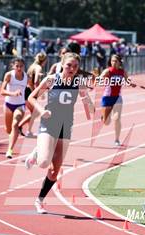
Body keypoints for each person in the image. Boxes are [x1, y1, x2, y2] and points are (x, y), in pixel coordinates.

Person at [24, 52, 94, 214]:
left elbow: (89, 108)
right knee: (43, 163)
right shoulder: (51, 79)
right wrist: (41, 111)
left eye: (75, 66)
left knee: (55, 171)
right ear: (62, 64)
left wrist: (88, 102)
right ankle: (37, 153)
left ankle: (39, 200)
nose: (72, 68)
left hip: (65, 126)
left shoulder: (78, 82)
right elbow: (32, 98)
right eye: (69, 65)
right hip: (49, 123)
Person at [98, 54, 136, 146]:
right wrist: (100, 79)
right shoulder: (108, 71)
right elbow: (100, 79)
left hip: (117, 98)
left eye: (115, 61)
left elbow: (128, 81)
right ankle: (104, 117)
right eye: (112, 61)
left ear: (120, 62)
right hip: (107, 97)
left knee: (117, 118)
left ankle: (117, 139)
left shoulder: (123, 72)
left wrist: (131, 84)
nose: (113, 63)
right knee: (106, 122)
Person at [0, 57, 27, 159]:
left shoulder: (26, 77)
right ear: (13, 66)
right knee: (8, 129)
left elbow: (32, 87)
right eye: (17, 66)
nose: (19, 68)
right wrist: (13, 93)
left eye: (21, 66)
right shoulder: (9, 75)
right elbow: (2, 91)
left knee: (15, 124)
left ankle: (9, 150)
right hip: (8, 104)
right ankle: (13, 133)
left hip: (20, 105)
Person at [18, 52, 47, 137]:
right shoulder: (38, 67)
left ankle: (28, 131)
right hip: (30, 91)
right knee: (36, 112)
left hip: (26, 90)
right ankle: (20, 126)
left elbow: (30, 79)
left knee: (34, 113)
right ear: (44, 61)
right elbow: (36, 81)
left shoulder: (32, 66)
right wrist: (38, 92)